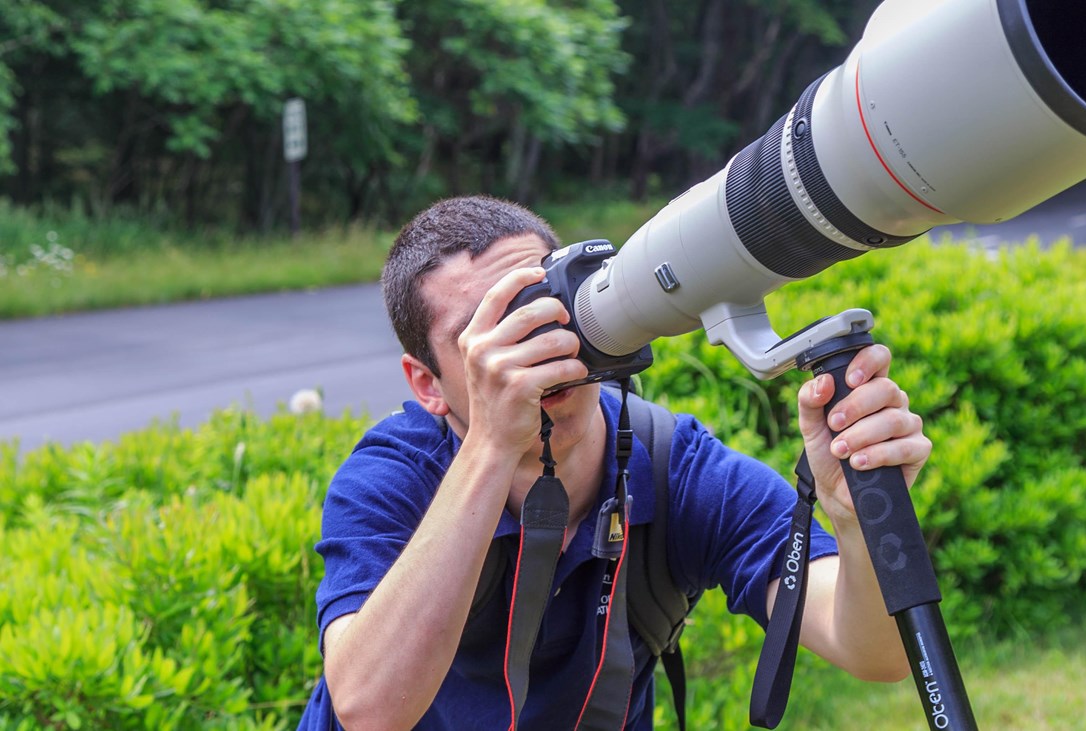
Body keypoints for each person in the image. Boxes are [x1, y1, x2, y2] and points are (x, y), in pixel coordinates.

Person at [296, 195, 932, 730]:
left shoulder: (671, 468)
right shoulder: (391, 478)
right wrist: (492, 444)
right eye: (486, 335)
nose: (534, 351)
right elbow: (369, 710)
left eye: (540, 311)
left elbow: (873, 651)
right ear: (427, 384)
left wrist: (856, 521)